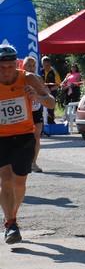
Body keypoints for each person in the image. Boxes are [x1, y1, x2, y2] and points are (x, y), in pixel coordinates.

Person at [0, 44, 55, 244]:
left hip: (24, 136)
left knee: (19, 183)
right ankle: (10, 223)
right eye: (1, 68)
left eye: (9, 67)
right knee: (5, 178)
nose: (6, 72)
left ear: (16, 64)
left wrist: (36, 96)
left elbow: (51, 103)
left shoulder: (29, 78)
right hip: (1, 137)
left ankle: (12, 213)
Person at [22, 57, 47, 173]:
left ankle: (33, 162)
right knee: (24, 137)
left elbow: (45, 93)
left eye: (33, 66)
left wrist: (45, 91)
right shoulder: (21, 78)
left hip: (36, 110)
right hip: (24, 111)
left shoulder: (39, 78)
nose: (31, 68)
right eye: (29, 66)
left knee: (36, 136)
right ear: (24, 67)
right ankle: (20, 160)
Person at [41, 56, 61, 124]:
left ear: (50, 64)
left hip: (51, 93)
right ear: (42, 64)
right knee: (40, 108)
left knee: (50, 108)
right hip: (41, 92)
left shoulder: (54, 72)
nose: (46, 66)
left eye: (48, 65)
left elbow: (58, 84)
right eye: (44, 65)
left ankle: (51, 122)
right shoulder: (39, 71)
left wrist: (50, 89)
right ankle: (41, 123)